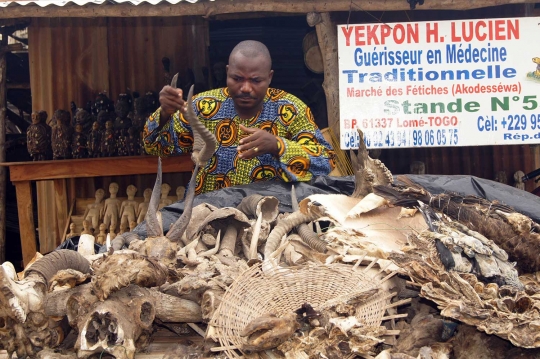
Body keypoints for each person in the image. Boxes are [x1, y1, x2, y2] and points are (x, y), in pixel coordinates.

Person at [143, 40, 335, 194]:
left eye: (256, 80)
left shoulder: (291, 110)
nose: (245, 88)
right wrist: (164, 113)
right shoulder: (202, 107)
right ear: (227, 72)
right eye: (237, 78)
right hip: (206, 220)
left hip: (270, 222)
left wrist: (278, 146)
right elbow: (153, 146)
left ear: (269, 77)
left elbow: (325, 163)